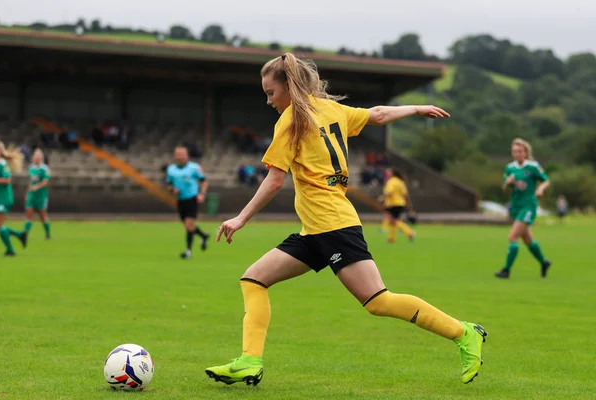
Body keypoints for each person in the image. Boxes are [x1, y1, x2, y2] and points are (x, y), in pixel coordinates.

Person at [205, 53, 487, 387]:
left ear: (289, 87)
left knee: (377, 301)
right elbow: (378, 115)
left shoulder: (291, 121)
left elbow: (275, 180)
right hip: (315, 229)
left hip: (333, 226)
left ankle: (464, 332)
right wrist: (414, 109)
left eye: (271, 93)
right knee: (254, 279)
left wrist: (241, 218)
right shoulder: (331, 109)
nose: (268, 101)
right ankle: (250, 361)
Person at [495, 138, 551, 279]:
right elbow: (504, 187)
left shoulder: (532, 167)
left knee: (513, 236)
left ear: (525, 152)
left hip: (528, 206)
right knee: (527, 240)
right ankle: (544, 262)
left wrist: (540, 189)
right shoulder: (510, 168)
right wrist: (507, 183)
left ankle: (506, 270)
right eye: (514, 151)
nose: (517, 154)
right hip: (516, 206)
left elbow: (546, 180)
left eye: (519, 151)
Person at [166, 146, 210, 259]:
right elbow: (169, 184)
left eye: (182, 154)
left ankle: (188, 251)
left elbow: (204, 181)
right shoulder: (171, 169)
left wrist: (202, 194)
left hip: (192, 198)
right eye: (178, 154)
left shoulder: (194, 168)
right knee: (188, 226)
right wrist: (172, 190)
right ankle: (204, 236)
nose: (180, 157)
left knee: (188, 224)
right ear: (175, 156)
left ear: (187, 156)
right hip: (180, 200)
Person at [0, 141, 27, 256]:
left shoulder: (3, 164)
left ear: (1, 152)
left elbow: (7, 180)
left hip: (3, 199)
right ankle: (20, 235)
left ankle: (10, 250)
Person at [379, 168, 415, 243]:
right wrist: (409, 204)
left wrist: (382, 198)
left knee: (393, 220)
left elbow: (389, 192)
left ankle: (409, 232)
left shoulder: (391, 181)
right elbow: (405, 194)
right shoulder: (401, 182)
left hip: (393, 203)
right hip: (401, 203)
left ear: (392, 174)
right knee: (393, 220)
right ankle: (391, 238)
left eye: (388, 173)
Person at [24, 149, 52, 240]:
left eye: (39, 157)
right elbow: (30, 182)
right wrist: (28, 193)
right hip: (32, 195)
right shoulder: (31, 168)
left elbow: (45, 181)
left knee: (42, 215)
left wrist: (37, 187)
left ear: (42, 158)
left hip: (41, 195)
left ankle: (48, 234)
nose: (37, 158)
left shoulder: (45, 169)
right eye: (36, 156)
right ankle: (25, 234)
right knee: (29, 213)